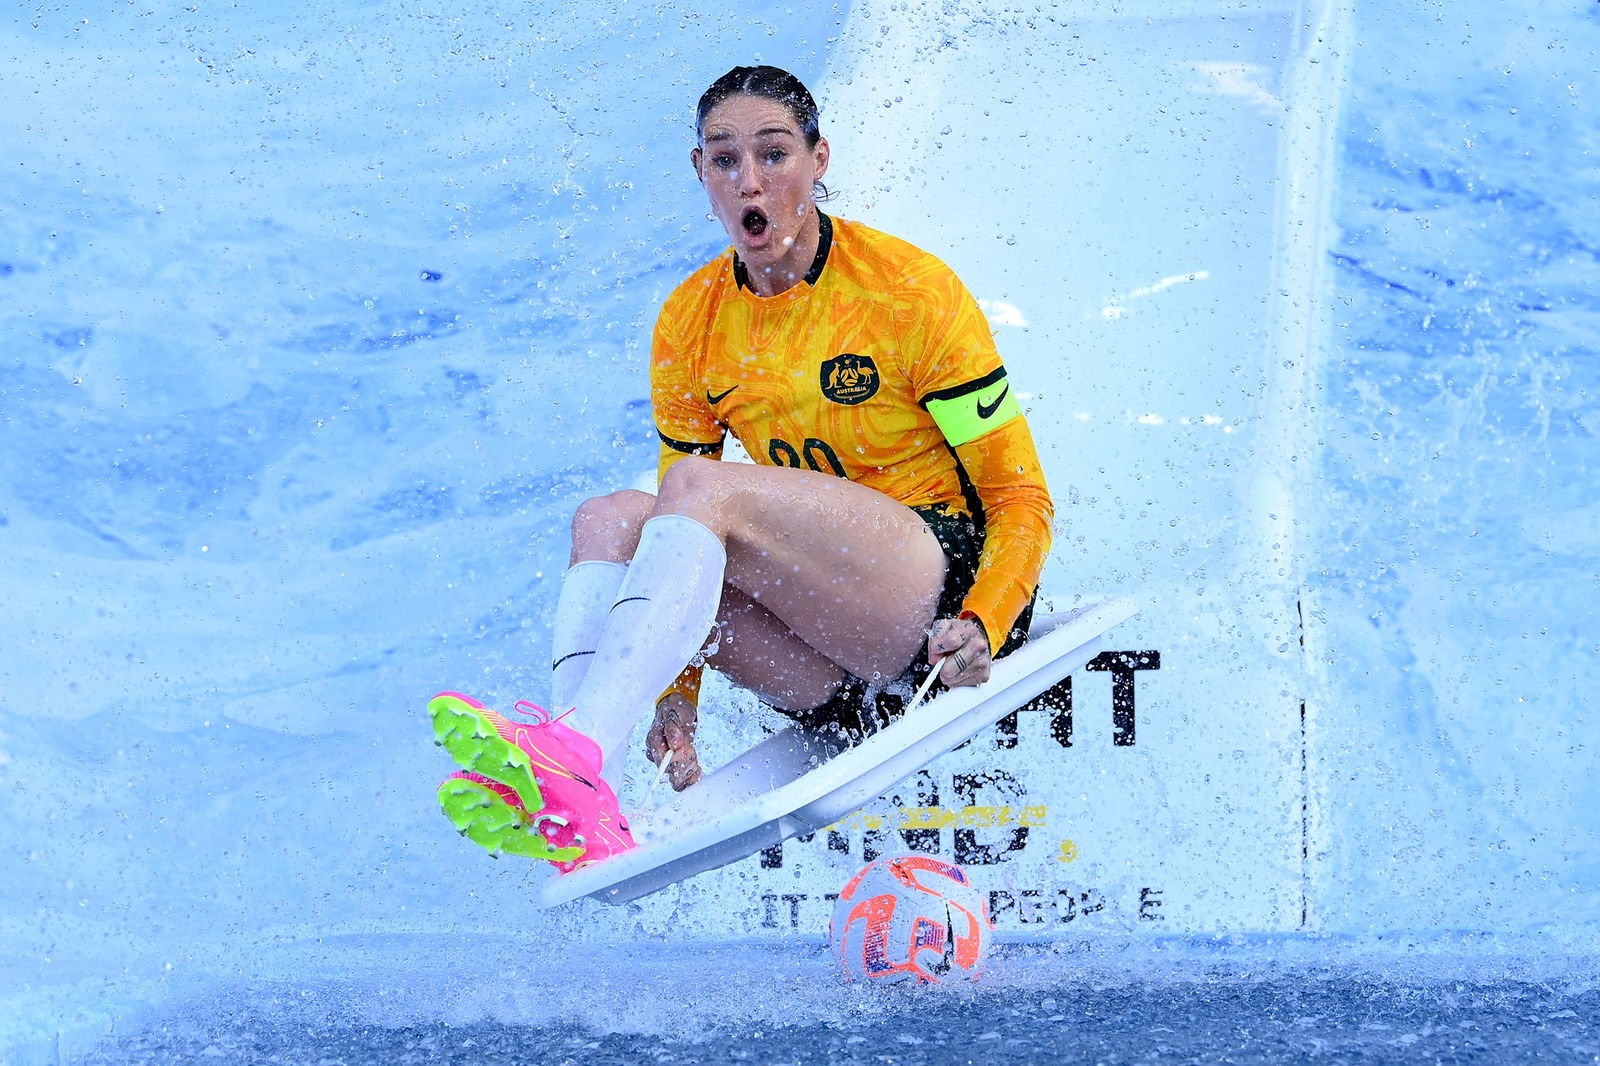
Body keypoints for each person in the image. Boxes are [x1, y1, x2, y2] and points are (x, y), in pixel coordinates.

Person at [428, 65, 1053, 872]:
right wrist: (675, 705)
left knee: (690, 488)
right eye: (725, 160)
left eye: (774, 154)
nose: (749, 181)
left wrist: (987, 621)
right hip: (831, 672)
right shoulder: (690, 320)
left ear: (819, 159)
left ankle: (574, 750)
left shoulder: (910, 294)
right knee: (609, 520)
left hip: (935, 610)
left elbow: (1020, 496)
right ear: (701, 174)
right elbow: (675, 540)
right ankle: (579, 789)